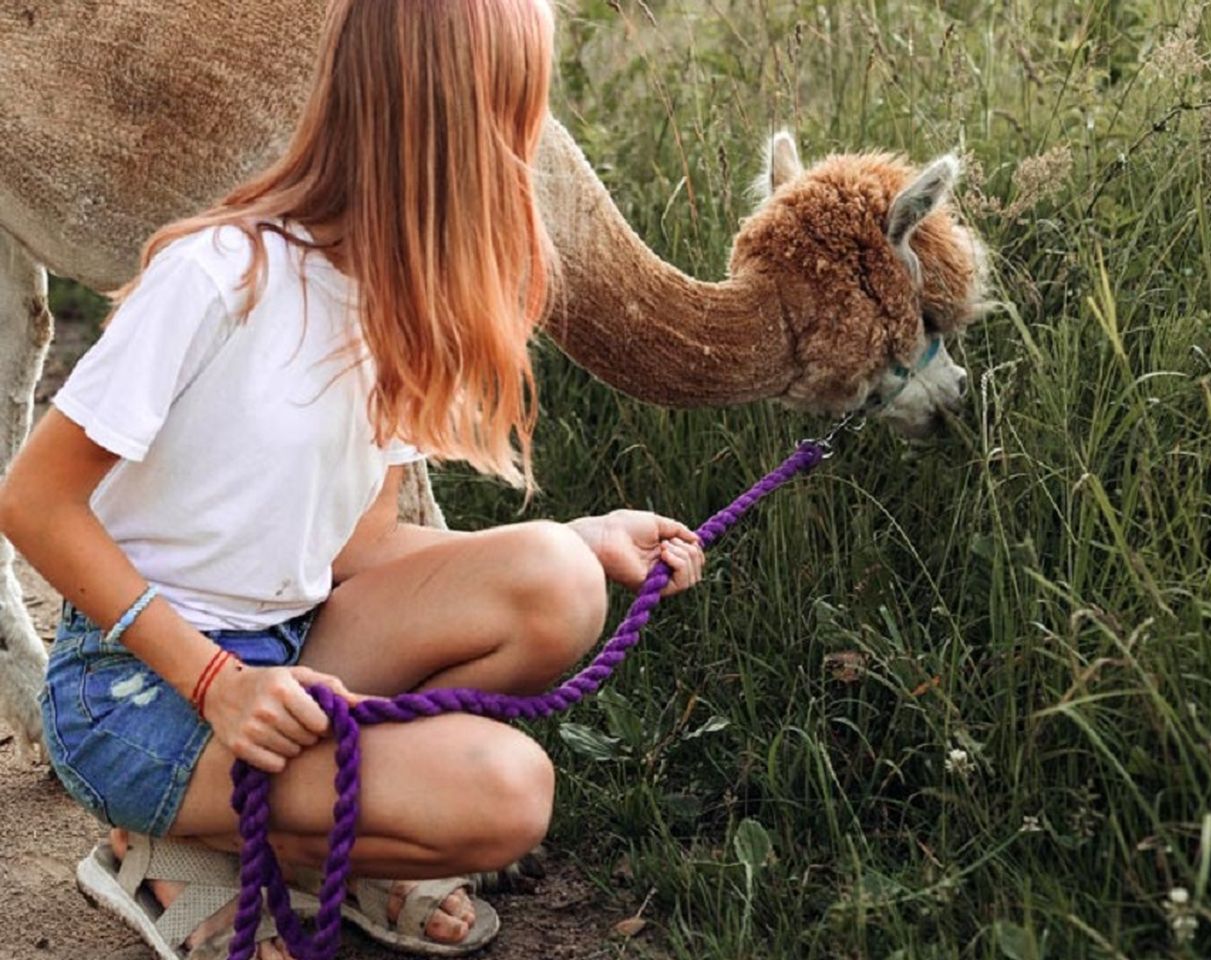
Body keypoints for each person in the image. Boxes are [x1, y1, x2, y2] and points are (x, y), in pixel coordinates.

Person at [0, 1, 706, 956]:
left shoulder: (395, 309)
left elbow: (362, 548)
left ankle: (285, 844)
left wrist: (577, 540)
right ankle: (174, 844)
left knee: (559, 583)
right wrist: (214, 683)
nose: (528, 162)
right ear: (450, 130)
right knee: (505, 790)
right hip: (134, 688)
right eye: (518, 120)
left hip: (283, 653)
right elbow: (32, 502)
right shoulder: (219, 274)